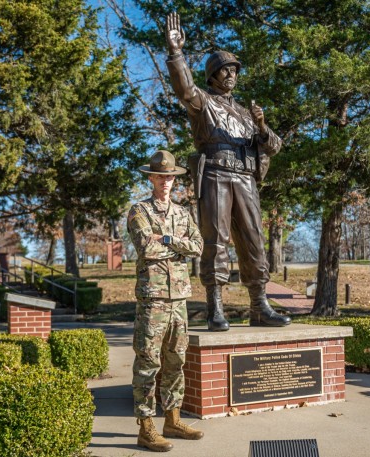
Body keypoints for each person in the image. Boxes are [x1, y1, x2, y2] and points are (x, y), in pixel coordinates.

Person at [164, 12, 291, 332]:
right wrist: (176, 53)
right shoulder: (203, 103)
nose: (232, 73)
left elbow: (273, 146)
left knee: (254, 240)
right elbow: (184, 89)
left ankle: (259, 306)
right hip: (217, 174)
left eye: (234, 69)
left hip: (246, 178)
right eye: (225, 69)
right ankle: (215, 307)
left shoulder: (248, 113)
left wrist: (261, 126)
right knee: (216, 240)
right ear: (213, 75)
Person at [127, 149, 204, 452]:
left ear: (175, 179)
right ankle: (146, 429)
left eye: (170, 176)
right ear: (152, 178)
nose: (165, 181)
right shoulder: (139, 211)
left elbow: (198, 246)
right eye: (160, 176)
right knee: (148, 363)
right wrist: (177, 248)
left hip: (179, 300)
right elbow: (146, 248)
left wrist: (169, 240)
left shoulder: (182, 213)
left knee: (176, 362)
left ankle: (172, 420)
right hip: (153, 300)